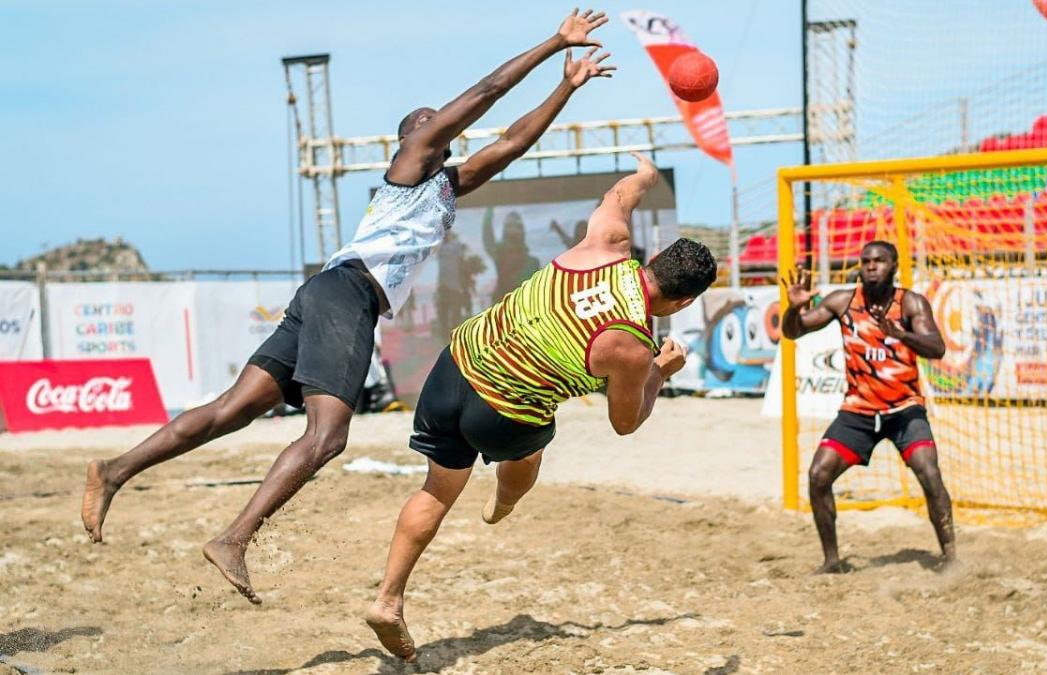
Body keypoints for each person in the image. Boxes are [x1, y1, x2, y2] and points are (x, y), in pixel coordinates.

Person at [79, 8, 615, 605]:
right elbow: (487, 92)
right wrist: (554, 44)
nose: (440, 124)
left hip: (328, 290)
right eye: (428, 122)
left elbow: (512, 142)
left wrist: (566, 87)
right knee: (327, 436)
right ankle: (234, 537)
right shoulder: (410, 165)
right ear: (412, 137)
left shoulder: (446, 185)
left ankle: (113, 471)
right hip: (349, 294)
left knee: (234, 408)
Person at [364, 152, 716, 661]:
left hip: (456, 365)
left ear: (653, 257)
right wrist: (661, 372)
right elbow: (626, 423)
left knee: (437, 491)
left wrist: (645, 175)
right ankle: (504, 503)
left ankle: (388, 600)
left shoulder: (606, 245)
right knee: (528, 457)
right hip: (503, 411)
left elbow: (619, 197)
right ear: (683, 303)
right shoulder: (634, 347)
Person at [779, 241, 955, 574]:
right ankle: (832, 562)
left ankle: (949, 556)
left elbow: (937, 348)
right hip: (858, 412)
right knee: (818, 475)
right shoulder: (843, 301)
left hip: (904, 410)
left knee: (930, 474)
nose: (871, 266)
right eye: (866, 261)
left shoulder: (910, 303)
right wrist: (793, 309)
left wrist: (902, 334)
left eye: (880, 261)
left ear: (894, 266)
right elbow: (793, 333)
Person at [483, 209, 543, 301]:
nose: (513, 229)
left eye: (517, 226)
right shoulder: (500, 253)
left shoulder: (532, 263)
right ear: (505, 229)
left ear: (522, 229)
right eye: (509, 225)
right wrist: (489, 208)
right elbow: (488, 236)